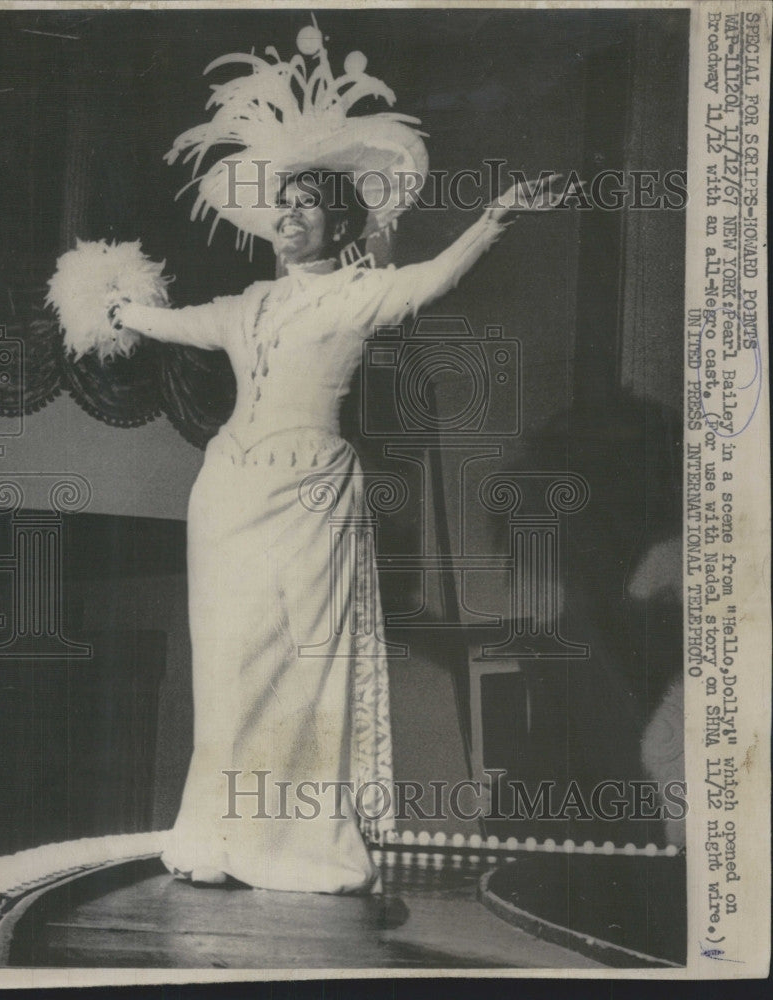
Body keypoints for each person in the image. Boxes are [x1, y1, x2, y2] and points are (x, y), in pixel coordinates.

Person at [107, 164, 564, 893]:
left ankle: (295, 845)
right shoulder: (246, 303)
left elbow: (438, 276)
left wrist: (496, 218)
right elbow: (172, 322)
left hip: (307, 490)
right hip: (226, 491)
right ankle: (214, 836)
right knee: (224, 669)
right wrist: (113, 307)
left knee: (299, 661)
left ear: (342, 226)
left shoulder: (363, 295)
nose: (289, 215)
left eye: (307, 205)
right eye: (282, 204)